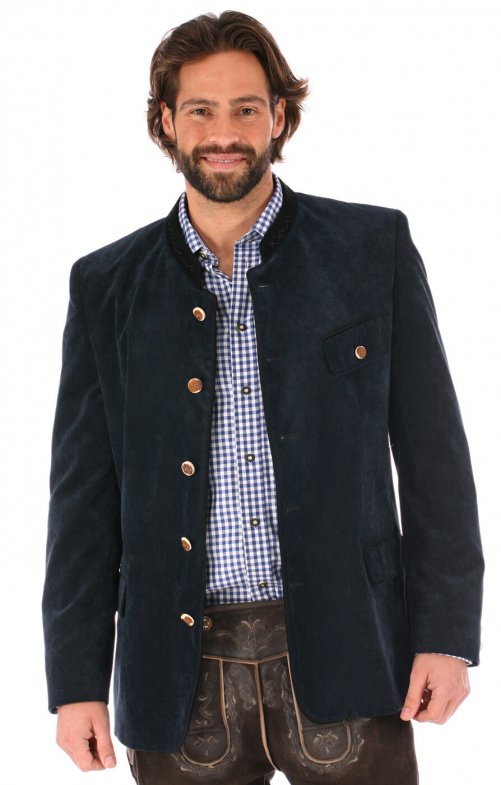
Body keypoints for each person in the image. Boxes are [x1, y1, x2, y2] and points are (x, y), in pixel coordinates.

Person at [42, 10, 484, 785]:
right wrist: (76, 681)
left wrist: (446, 634)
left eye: (245, 108)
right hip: (178, 675)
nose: (224, 133)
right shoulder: (105, 286)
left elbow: (434, 458)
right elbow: (82, 500)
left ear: (278, 116)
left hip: (350, 651)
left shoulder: (369, 249)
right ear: (165, 122)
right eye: (199, 110)